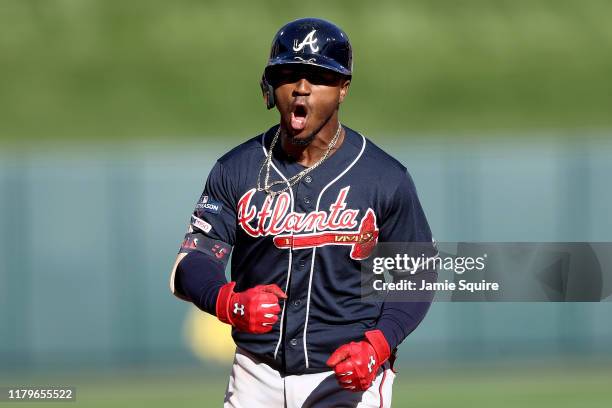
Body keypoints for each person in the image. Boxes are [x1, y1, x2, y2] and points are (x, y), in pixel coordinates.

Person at [170, 17, 437, 407]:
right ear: (270, 85)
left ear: (343, 88)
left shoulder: (384, 178)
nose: (302, 88)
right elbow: (191, 262)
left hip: (346, 376)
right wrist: (227, 300)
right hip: (254, 374)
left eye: (319, 76)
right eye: (289, 74)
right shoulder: (237, 168)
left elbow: (417, 277)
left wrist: (378, 345)